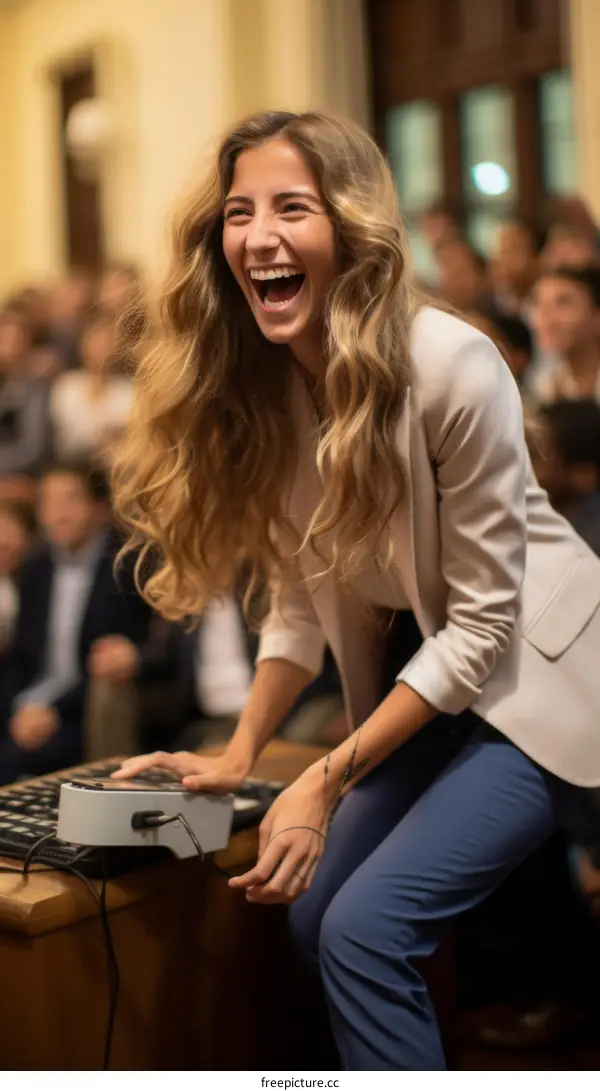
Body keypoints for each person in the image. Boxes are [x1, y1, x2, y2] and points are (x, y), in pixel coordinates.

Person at [110, 110, 600, 1071]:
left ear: (350, 226)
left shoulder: (454, 363)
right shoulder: (277, 388)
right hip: (439, 684)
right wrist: (240, 748)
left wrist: (323, 776)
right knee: (314, 917)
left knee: (364, 930)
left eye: (291, 206)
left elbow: (484, 628)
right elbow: (301, 599)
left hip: (540, 681)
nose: (260, 235)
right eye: (240, 212)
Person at [0, 462, 151, 783]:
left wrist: (50, 709)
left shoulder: (124, 566)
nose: (59, 513)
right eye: (49, 503)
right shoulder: (37, 568)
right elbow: (22, 656)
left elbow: (114, 659)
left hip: (84, 707)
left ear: (98, 507)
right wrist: (21, 706)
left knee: (13, 763)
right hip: (34, 702)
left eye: (70, 500)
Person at [528, 266, 600, 404]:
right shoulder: (542, 386)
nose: (546, 317)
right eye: (538, 304)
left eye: (563, 303)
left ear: (597, 316)